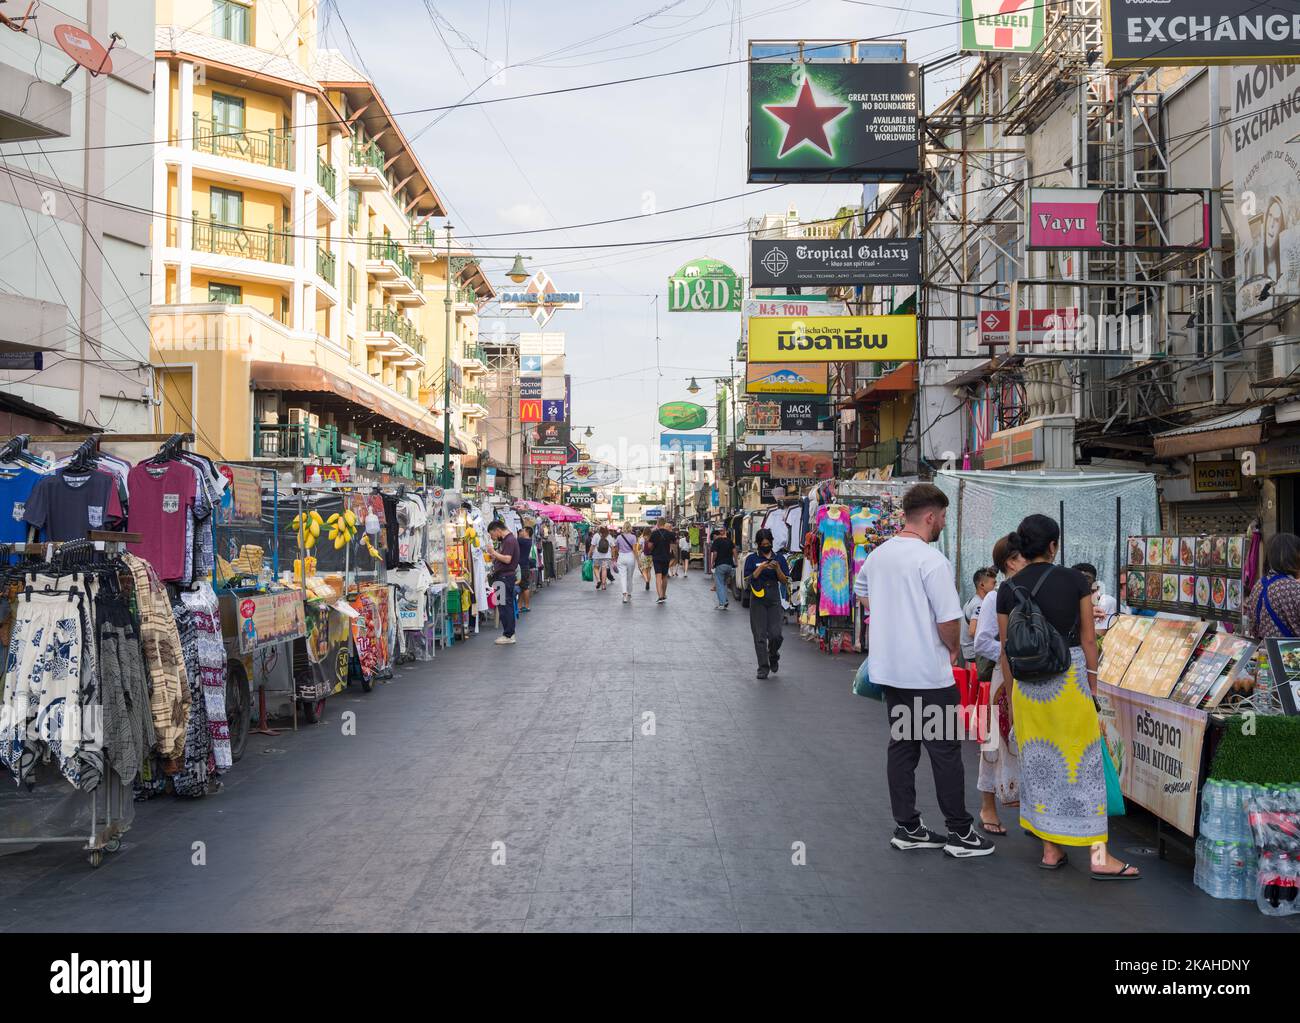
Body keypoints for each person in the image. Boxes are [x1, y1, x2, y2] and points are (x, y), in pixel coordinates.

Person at [855, 482, 994, 859]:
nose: (944, 523)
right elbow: (950, 620)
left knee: (903, 746)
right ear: (930, 517)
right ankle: (960, 833)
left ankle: (908, 827)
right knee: (945, 752)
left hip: (893, 672)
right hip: (928, 674)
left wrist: (888, 616)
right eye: (944, 517)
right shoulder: (931, 560)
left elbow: (860, 588)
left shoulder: (879, 555)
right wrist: (952, 648)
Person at [996, 514, 1139, 879]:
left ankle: (1050, 849)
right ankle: (1097, 855)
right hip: (1069, 677)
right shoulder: (1075, 580)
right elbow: (1089, 639)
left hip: (1028, 686)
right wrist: (1092, 683)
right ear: (1053, 545)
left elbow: (1006, 649)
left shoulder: (1007, 589)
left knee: (1041, 766)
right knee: (1084, 766)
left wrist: (1012, 697)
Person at [972, 537, 1028, 835]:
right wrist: (1011, 655)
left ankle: (1031, 810)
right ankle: (988, 806)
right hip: (1002, 679)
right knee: (995, 743)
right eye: (1023, 557)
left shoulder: (1034, 590)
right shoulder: (995, 597)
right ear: (1011, 561)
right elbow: (982, 641)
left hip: (1031, 677)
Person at [743, 528, 789, 679]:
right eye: (763, 544)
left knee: (776, 634)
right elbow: (747, 579)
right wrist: (761, 568)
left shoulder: (779, 558)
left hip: (774, 596)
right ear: (758, 544)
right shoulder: (751, 559)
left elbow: (784, 580)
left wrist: (777, 569)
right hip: (757, 597)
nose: (766, 546)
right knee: (760, 635)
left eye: (768, 544)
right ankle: (763, 667)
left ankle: (773, 654)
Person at [1245, 532, 1300, 639]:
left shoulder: (1259, 585)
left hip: (1265, 652)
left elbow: (1252, 626)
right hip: (1291, 653)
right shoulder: (1294, 588)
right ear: (1293, 557)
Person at [485, 520, 520, 646]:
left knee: (505, 606)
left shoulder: (509, 540)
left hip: (505, 577)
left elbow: (507, 559)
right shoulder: (507, 540)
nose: (493, 538)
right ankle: (508, 633)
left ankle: (508, 634)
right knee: (503, 605)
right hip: (504, 577)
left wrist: (494, 553)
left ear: (497, 530)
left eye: (492, 535)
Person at [963, 567, 997, 668]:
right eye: (993, 583)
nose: (995, 587)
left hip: (968, 652)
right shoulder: (979, 604)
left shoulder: (971, 601)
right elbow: (972, 631)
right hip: (975, 655)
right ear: (982, 585)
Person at [1071, 562, 1116, 636]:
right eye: (1078, 578)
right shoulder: (1073, 602)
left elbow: (1096, 638)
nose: (1082, 582)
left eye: (1086, 578)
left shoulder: (1106, 602)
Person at [646, 519, 676, 604]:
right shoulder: (669, 533)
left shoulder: (654, 533)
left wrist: (653, 548)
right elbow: (675, 541)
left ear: (658, 524)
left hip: (657, 557)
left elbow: (649, 546)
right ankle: (664, 594)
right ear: (664, 524)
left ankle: (660, 596)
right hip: (666, 557)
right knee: (664, 576)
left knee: (658, 577)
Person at [710, 526, 736, 610]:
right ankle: (725, 600)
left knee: (719, 584)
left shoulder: (716, 541)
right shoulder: (730, 541)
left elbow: (715, 553)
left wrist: (713, 562)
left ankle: (722, 603)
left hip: (720, 565)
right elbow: (734, 551)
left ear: (719, 532)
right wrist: (736, 562)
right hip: (729, 566)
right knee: (724, 584)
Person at [614, 522, 640, 604]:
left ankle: (624, 594)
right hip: (630, 557)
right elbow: (635, 550)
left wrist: (618, 555)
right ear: (630, 528)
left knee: (623, 577)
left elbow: (616, 548)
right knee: (630, 577)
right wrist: (638, 560)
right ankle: (629, 592)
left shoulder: (619, 537)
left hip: (621, 556)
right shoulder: (633, 537)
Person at [590, 525, 614, 591]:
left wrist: (589, 554)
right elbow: (612, 547)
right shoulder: (609, 536)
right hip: (607, 556)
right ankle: (603, 585)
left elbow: (592, 546)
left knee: (595, 568)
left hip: (597, 556)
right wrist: (613, 556)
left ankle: (598, 580)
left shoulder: (596, 535)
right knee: (604, 569)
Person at [517, 526, 534, 614]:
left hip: (523, 567)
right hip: (524, 566)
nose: (521, 532)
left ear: (527, 532)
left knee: (525, 587)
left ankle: (527, 606)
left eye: (523, 530)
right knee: (522, 587)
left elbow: (514, 538)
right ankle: (520, 606)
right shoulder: (528, 541)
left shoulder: (524, 541)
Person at [637, 527, 654, 592]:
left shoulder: (642, 538)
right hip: (650, 556)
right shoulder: (652, 538)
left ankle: (646, 581)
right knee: (649, 570)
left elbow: (638, 548)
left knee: (643, 570)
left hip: (644, 555)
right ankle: (648, 583)